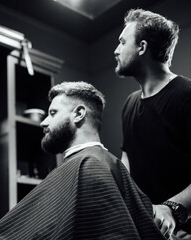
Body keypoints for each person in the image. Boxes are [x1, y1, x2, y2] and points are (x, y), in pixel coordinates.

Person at [0, 81, 165, 239]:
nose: (44, 122)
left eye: (53, 113)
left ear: (78, 114)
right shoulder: (111, 164)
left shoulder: (87, 166)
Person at [114, 8, 191, 239]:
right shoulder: (129, 104)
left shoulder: (187, 95)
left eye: (122, 42)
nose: (116, 50)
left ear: (142, 47)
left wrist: (173, 210)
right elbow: (128, 159)